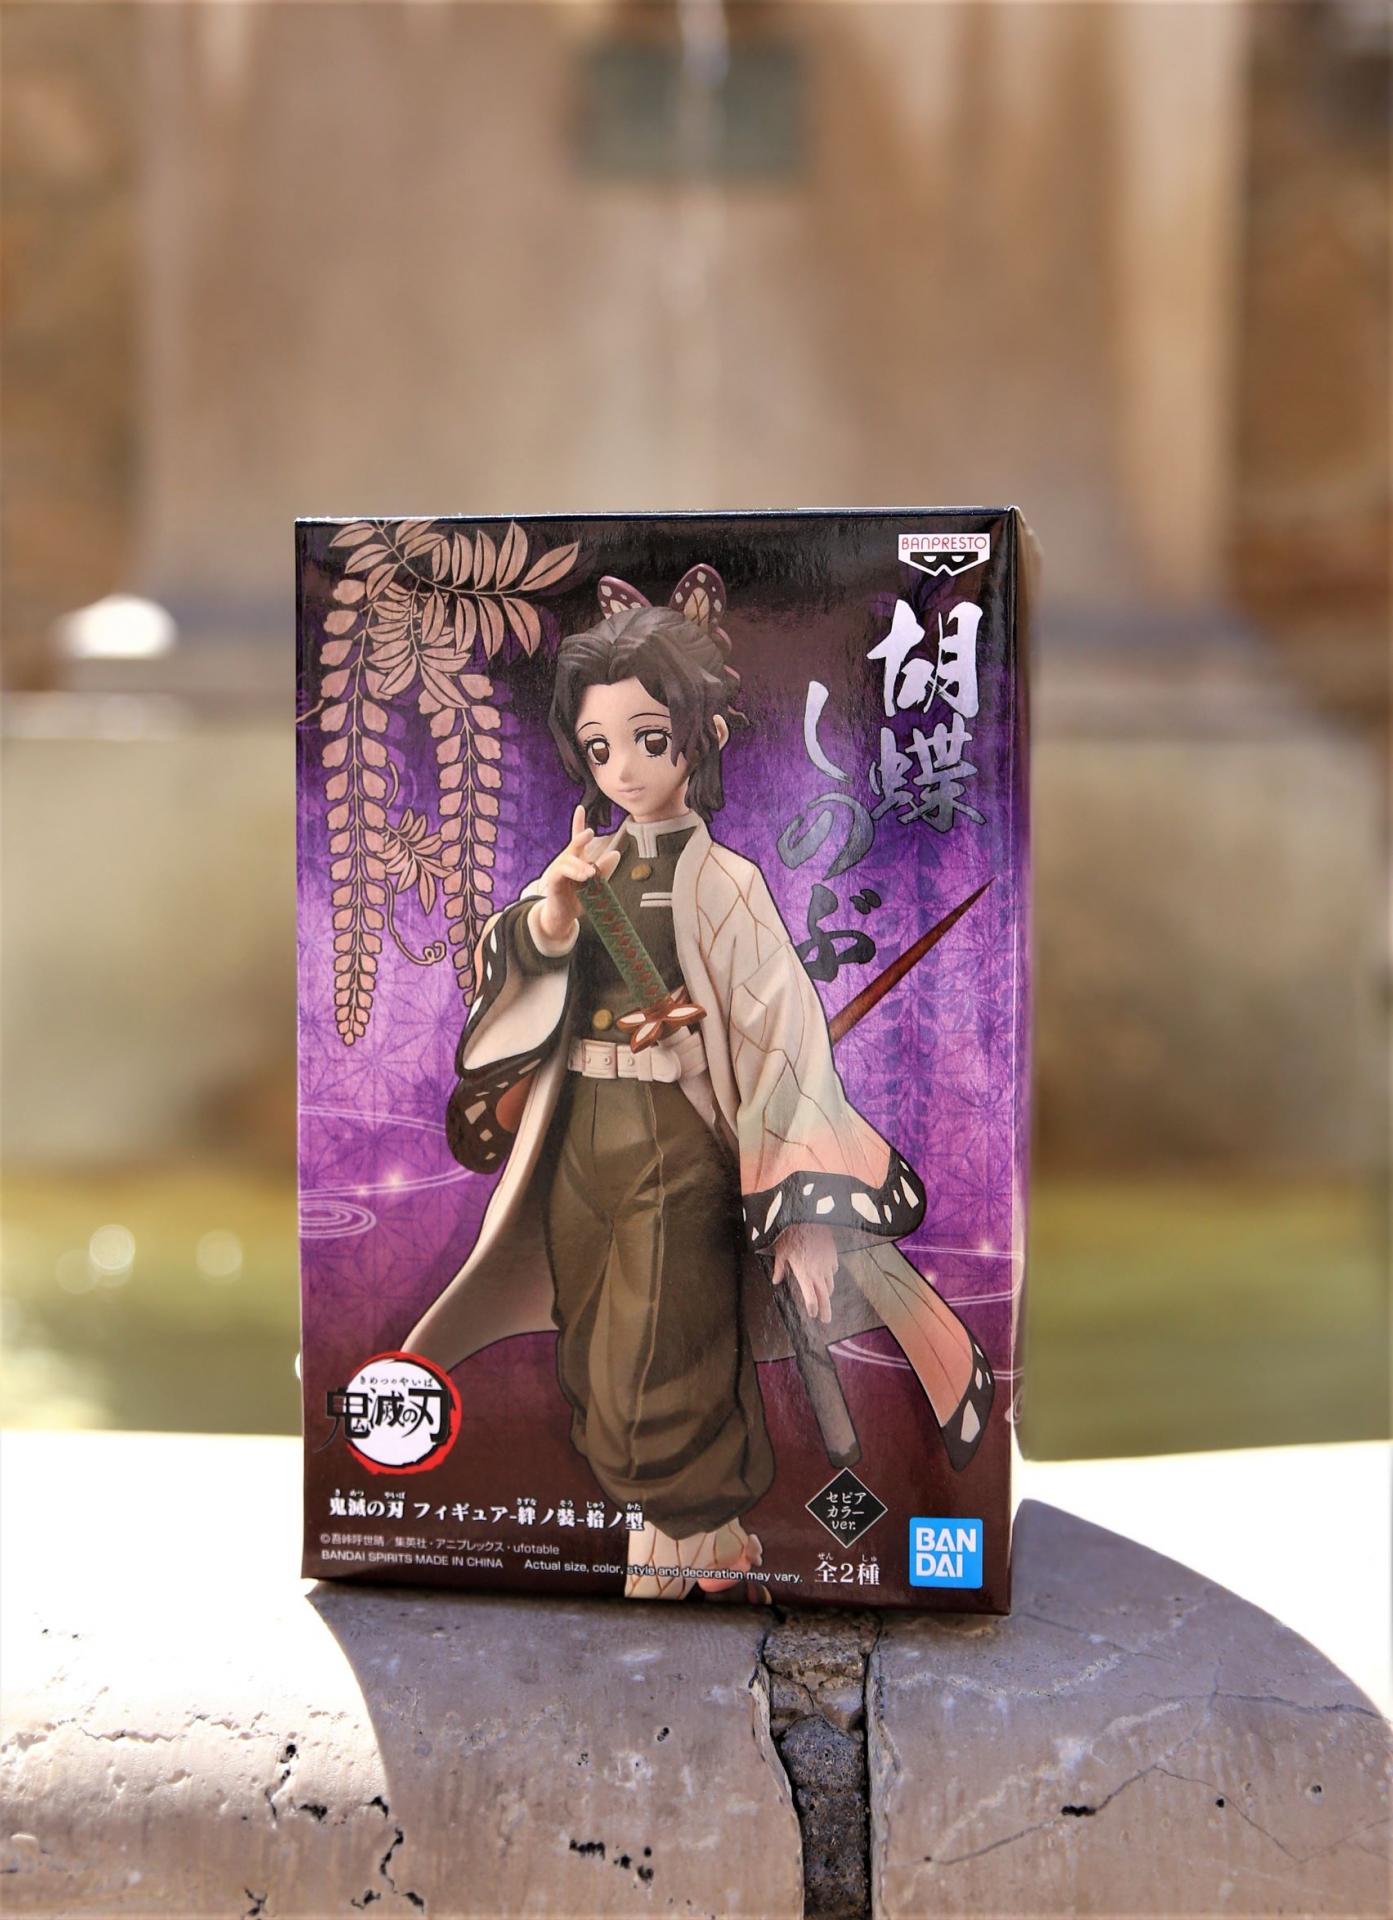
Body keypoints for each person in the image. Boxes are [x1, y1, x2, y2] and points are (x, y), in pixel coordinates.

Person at [404, 577, 994, 1600]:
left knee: (660, 1352)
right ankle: (713, 1550)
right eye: (601, 748)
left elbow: (782, 1042)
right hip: (577, 1133)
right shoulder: (583, 867)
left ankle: (679, 1547)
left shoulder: (727, 884)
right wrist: (549, 918)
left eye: (648, 739)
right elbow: (512, 975)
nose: (625, 769)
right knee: (596, 1350)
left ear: (699, 738)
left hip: (677, 1139)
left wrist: (805, 1215)